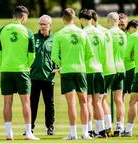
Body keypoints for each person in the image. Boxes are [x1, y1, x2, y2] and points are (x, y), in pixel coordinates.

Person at [0, 5, 39, 140]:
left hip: (6, 70)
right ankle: (29, 133)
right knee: (26, 103)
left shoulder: (2, 30)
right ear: (24, 17)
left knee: (7, 102)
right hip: (22, 70)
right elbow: (32, 55)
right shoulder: (28, 32)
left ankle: (8, 133)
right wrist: (26, 65)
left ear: (14, 16)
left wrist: (3, 66)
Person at [51, 8, 93, 140]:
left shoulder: (59, 34)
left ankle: (73, 133)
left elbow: (54, 56)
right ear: (74, 18)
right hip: (80, 70)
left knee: (71, 104)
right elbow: (90, 53)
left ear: (63, 18)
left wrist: (62, 64)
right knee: (84, 103)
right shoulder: (82, 33)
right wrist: (81, 62)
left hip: (67, 71)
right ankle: (85, 133)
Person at [79, 9, 106, 138]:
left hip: (88, 70)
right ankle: (101, 130)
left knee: (88, 102)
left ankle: (89, 130)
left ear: (82, 19)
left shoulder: (82, 33)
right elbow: (104, 54)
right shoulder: (100, 33)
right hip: (99, 69)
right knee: (98, 102)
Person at [118, 13, 138, 134]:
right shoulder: (115, 34)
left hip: (131, 70)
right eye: (119, 23)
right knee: (120, 98)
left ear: (127, 22)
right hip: (119, 70)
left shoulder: (132, 34)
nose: (120, 25)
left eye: (122, 23)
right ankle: (121, 126)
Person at [90, 9, 115, 137]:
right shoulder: (107, 31)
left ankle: (98, 129)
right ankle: (108, 127)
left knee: (96, 100)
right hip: (111, 68)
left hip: (102, 69)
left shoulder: (95, 32)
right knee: (103, 99)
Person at [30, 15, 56, 135]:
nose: (43, 26)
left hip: (48, 76)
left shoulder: (54, 39)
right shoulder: (33, 38)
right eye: (41, 24)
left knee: (49, 104)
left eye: (45, 24)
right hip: (34, 76)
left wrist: (56, 67)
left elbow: (58, 56)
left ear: (50, 25)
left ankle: (50, 127)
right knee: (33, 103)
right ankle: (29, 127)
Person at [107, 12, 127, 136]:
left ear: (109, 20)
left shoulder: (108, 33)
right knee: (119, 100)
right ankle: (120, 126)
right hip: (121, 67)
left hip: (111, 68)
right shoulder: (123, 34)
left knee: (100, 98)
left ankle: (105, 126)